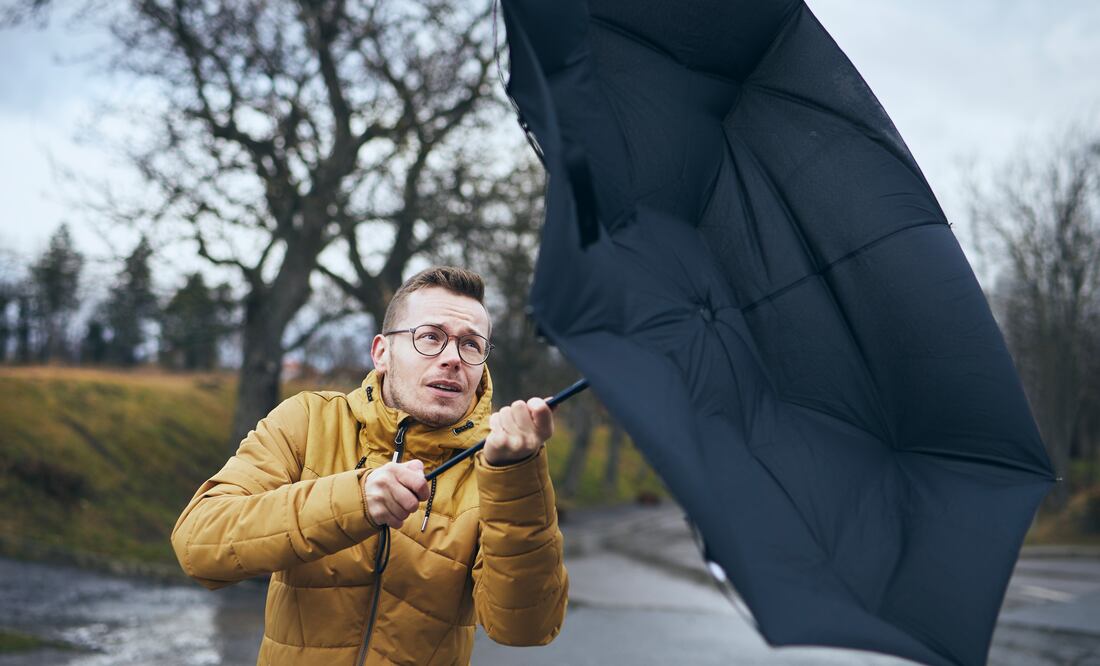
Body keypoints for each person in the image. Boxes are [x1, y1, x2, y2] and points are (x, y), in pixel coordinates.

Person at [171, 266, 568, 665]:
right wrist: (355, 500)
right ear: (382, 352)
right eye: (430, 337)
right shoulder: (309, 421)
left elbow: (526, 628)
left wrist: (517, 478)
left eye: (471, 345)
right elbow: (199, 544)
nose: (452, 358)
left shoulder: (499, 469)